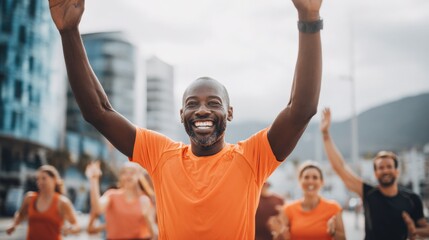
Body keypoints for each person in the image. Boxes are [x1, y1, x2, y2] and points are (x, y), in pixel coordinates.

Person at [48, 0, 323, 237]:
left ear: (229, 112)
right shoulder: (160, 154)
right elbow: (98, 111)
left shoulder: (252, 157)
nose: (202, 110)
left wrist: (309, 19)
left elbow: (301, 110)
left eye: (213, 103)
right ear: (182, 115)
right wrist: (69, 32)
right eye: (192, 104)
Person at [320, 107, 429, 240]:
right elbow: (340, 167)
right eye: (381, 168)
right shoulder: (368, 193)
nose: (385, 170)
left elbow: (425, 228)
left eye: (389, 166)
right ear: (375, 173)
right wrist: (325, 135)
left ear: (397, 171)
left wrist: (415, 230)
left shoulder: (412, 199)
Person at [268, 161, 346, 240]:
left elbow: (343, 238)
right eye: (306, 177)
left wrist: (333, 232)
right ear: (300, 181)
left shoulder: (334, 208)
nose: (310, 181)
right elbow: (279, 237)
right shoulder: (288, 209)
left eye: (315, 177)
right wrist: (279, 233)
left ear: (322, 182)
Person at [85, 161, 157, 240]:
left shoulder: (145, 200)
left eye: (132, 172)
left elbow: (154, 234)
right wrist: (94, 180)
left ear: (139, 176)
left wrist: (147, 218)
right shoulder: (111, 195)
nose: (128, 176)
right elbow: (97, 208)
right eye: (124, 173)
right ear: (121, 176)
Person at [6, 165, 80, 240]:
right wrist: (14, 225)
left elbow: (76, 226)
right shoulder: (29, 198)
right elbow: (20, 214)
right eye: (38, 179)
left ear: (54, 179)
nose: (40, 182)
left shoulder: (62, 202)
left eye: (44, 178)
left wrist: (70, 229)